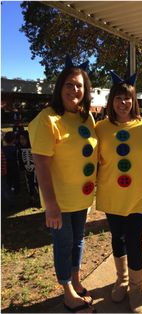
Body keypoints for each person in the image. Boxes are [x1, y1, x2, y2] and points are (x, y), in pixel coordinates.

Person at [28, 56, 97, 313]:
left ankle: (76, 280)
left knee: (78, 241)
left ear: (85, 89)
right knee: (64, 243)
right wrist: (51, 205)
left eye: (79, 85)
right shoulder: (47, 119)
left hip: (81, 198)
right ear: (60, 87)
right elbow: (41, 165)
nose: (74, 90)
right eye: (69, 84)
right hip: (59, 200)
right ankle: (67, 292)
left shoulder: (85, 118)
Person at [95, 71, 142, 313]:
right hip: (112, 195)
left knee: (135, 241)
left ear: (134, 101)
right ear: (111, 102)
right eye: (118, 98)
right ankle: (123, 280)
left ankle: (137, 287)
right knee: (117, 239)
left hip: (139, 195)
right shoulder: (100, 128)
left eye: (127, 98)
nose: (123, 103)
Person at [18, 130, 39, 206]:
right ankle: (32, 197)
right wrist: (23, 169)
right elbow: (20, 160)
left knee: (37, 183)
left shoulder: (33, 148)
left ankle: (39, 198)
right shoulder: (20, 149)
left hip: (36, 169)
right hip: (27, 169)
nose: (22, 141)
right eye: (20, 139)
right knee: (29, 184)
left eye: (23, 139)